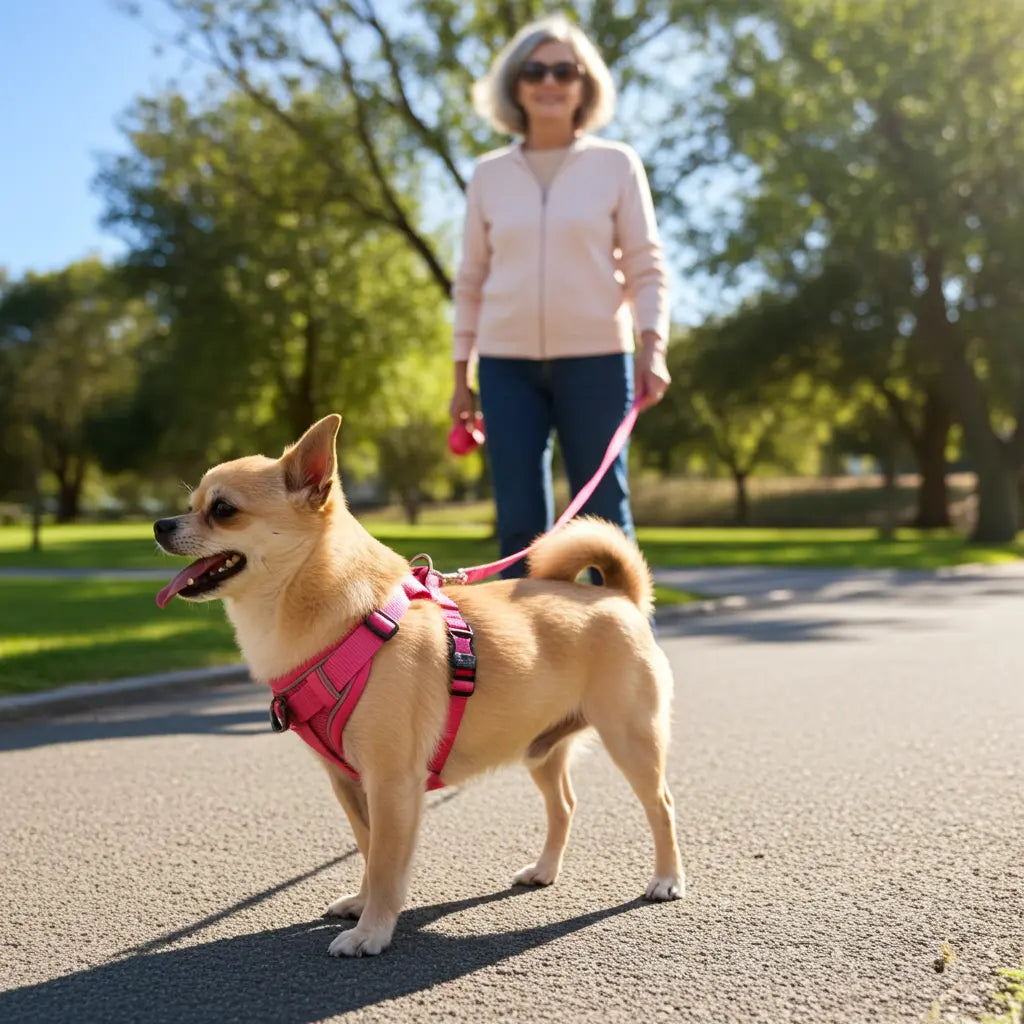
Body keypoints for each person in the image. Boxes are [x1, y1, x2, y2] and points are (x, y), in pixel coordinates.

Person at [450, 14, 671, 578]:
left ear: (584, 84)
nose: (549, 82)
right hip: (505, 367)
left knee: (605, 519)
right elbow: (470, 279)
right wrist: (460, 376)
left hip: (598, 360)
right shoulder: (488, 175)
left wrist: (653, 347)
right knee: (519, 526)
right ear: (515, 84)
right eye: (535, 70)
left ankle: (626, 637)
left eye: (564, 71)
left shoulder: (616, 164)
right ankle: (527, 641)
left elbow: (646, 265)